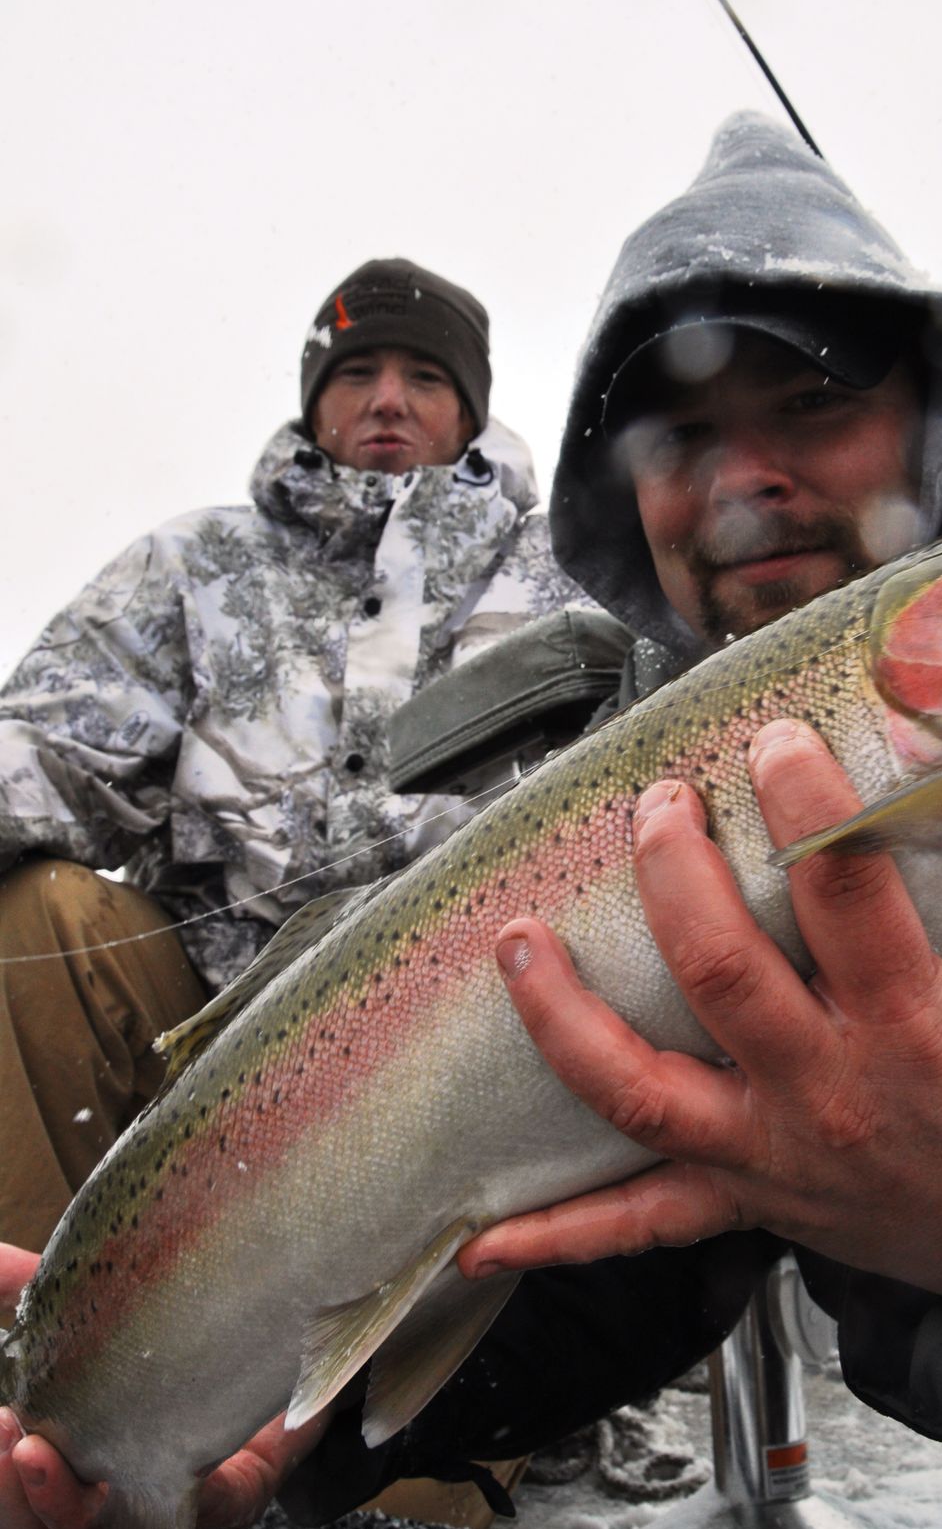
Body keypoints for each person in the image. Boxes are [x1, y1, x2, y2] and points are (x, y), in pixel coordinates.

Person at [4, 118, 942, 1529]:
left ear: (936, 420)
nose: (744, 475)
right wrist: (280, 1400)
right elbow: (621, 1242)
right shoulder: (639, 729)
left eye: (811, 396)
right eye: (682, 433)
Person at [0, 253, 585, 1257]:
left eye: (426, 376)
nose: (388, 398)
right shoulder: (196, 565)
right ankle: (51, 1353)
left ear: (472, 407)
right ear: (317, 399)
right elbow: (48, 745)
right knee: (39, 916)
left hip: (479, 1045)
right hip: (207, 1051)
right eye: (357, 372)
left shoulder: (564, 572)